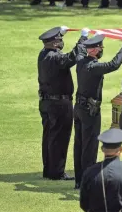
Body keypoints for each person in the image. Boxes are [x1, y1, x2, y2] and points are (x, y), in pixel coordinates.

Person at [73, 35, 122, 189]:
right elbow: (114, 65)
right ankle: (87, 181)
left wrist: (83, 37)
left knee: (79, 144)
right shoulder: (93, 67)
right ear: (94, 49)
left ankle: (79, 180)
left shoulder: (80, 60)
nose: (101, 51)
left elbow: (79, 49)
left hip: (79, 108)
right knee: (89, 146)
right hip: (89, 111)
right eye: (100, 48)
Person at [38, 26, 89, 180]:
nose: (61, 43)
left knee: (49, 137)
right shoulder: (56, 58)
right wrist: (83, 39)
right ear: (54, 44)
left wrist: (61, 32)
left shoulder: (43, 54)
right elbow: (72, 57)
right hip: (59, 104)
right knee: (59, 138)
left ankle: (49, 169)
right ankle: (56, 172)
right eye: (59, 40)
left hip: (47, 102)